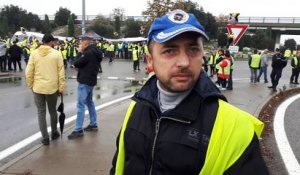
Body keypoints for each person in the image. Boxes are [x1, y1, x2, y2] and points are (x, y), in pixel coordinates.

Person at [110, 9, 268, 175]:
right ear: (150, 60)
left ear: (202, 54)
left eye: (193, 50)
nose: (184, 62)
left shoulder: (236, 128)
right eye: (170, 51)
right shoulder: (137, 107)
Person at [25, 34, 65, 145]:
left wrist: (31, 85)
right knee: (52, 111)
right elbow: (61, 73)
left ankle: (45, 138)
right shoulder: (57, 54)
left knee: (40, 112)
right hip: (52, 88)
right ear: (51, 42)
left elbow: (28, 72)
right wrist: (61, 88)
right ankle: (54, 133)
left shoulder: (34, 53)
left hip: (37, 88)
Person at [68, 35, 102, 140]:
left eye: (81, 43)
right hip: (91, 80)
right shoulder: (96, 52)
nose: (80, 45)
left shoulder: (88, 53)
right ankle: (93, 123)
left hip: (85, 81)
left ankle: (78, 129)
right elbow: (88, 64)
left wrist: (79, 52)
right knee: (89, 102)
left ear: (85, 43)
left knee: (80, 105)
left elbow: (77, 63)